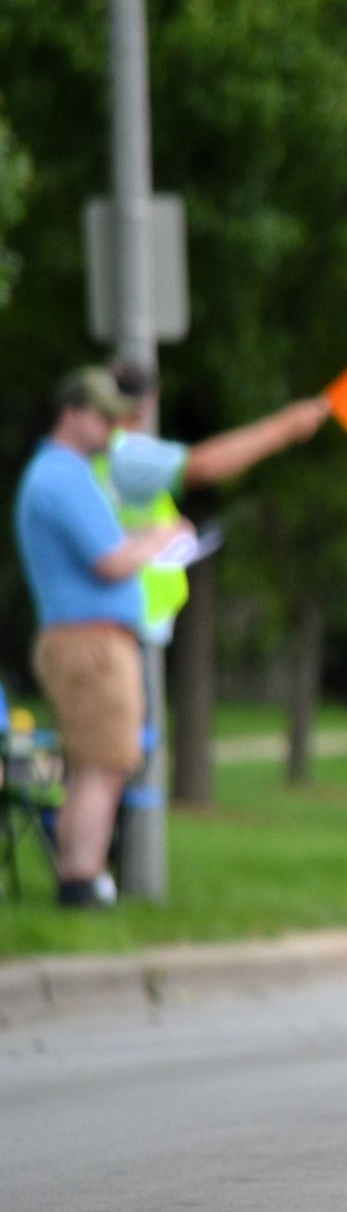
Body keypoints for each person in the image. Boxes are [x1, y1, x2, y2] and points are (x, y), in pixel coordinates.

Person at [12, 368, 193, 908]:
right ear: (72, 414)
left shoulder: (67, 475)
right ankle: (81, 882)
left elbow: (110, 543)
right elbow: (112, 561)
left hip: (87, 639)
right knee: (102, 763)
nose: (114, 428)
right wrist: (160, 538)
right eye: (104, 417)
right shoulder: (64, 477)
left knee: (102, 762)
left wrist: (145, 538)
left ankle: (84, 875)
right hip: (90, 643)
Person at [104, 361, 332, 642]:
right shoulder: (124, 452)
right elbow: (203, 466)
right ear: (149, 403)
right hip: (121, 621)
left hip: (120, 619)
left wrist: (163, 534)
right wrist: (285, 428)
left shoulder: (97, 455)